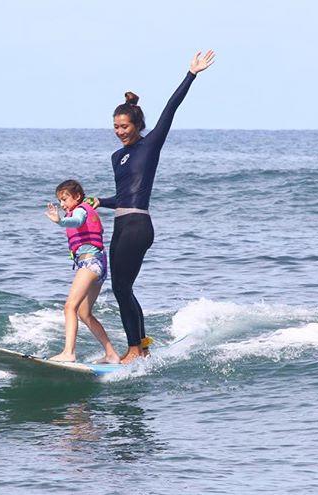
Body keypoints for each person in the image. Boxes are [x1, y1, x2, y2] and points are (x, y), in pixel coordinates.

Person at [93, 50, 216, 364]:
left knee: (121, 288)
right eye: (115, 126)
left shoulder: (150, 145)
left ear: (136, 124)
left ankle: (134, 350)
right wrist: (99, 202)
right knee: (122, 289)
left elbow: (171, 109)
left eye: (124, 126)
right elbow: (123, 197)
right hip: (121, 224)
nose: (119, 131)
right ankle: (141, 347)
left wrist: (191, 74)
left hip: (138, 226)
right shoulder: (115, 157)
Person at [45, 180, 120, 363]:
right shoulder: (83, 208)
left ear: (77, 197)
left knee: (70, 307)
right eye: (60, 201)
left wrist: (60, 220)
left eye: (65, 199)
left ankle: (68, 353)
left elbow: (77, 220)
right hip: (99, 266)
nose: (62, 204)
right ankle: (111, 354)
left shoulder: (80, 210)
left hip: (90, 264)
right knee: (84, 313)